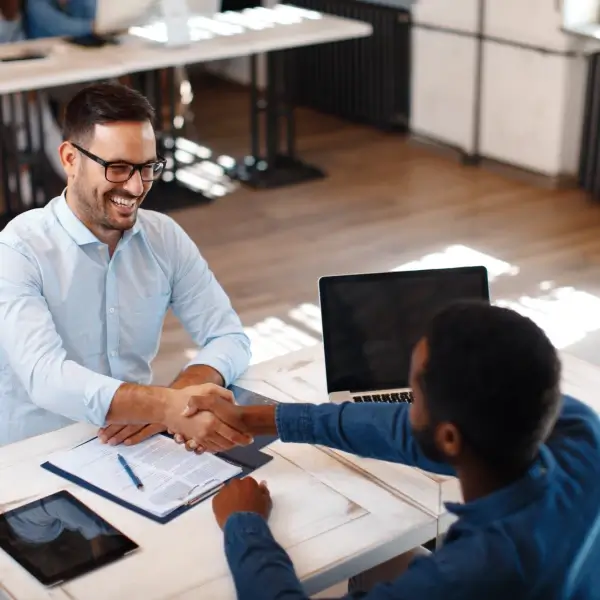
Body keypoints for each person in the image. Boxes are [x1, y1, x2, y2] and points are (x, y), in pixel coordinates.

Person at [176, 301, 600, 599]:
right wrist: (268, 418)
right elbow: (402, 428)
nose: (405, 406)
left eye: (414, 395)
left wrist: (244, 525)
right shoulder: (580, 431)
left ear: (450, 439)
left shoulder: (470, 573)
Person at [0, 82, 252, 449]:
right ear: (69, 159)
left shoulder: (164, 237)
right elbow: (46, 377)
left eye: (147, 167)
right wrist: (164, 405)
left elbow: (229, 338)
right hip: (36, 456)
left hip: (136, 445)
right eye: (117, 168)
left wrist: (179, 395)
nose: (136, 187)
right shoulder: (18, 250)